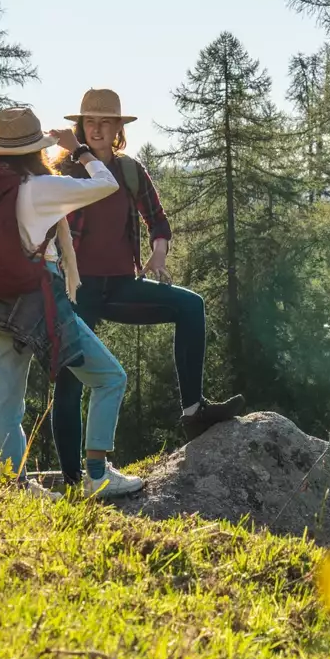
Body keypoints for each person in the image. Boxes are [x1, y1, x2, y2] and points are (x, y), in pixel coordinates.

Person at [52, 88, 243, 462]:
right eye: (90, 122)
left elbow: (157, 220)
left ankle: (193, 411)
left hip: (122, 285)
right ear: (80, 127)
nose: (98, 129)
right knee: (70, 381)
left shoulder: (129, 170)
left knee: (191, 306)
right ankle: (76, 476)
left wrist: (158, 252)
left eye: (106, 122)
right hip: (77, 291)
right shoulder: (65, 172)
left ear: (118, 128)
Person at [0, 106, 144, 498]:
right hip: (36, 300)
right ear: (37, 149)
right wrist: (78, 149)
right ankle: (97, 474)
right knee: (110, 377)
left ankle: (14, 485)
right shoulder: (39, 188)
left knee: (7, 404)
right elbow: (106, 183)